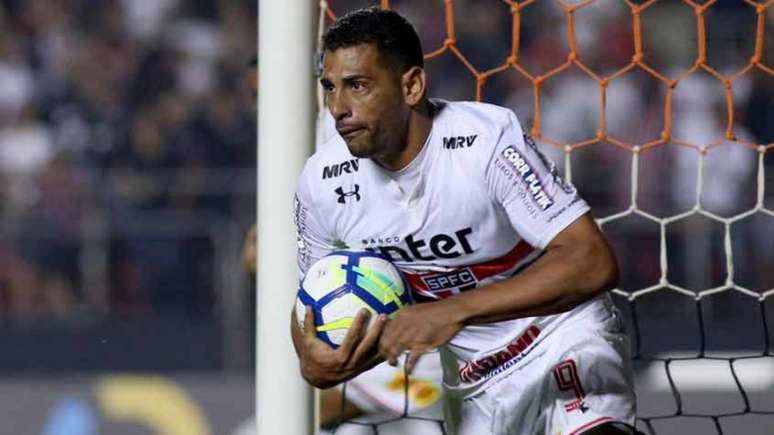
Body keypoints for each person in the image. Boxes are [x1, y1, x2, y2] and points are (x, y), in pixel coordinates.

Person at [291, 7, 638, 435]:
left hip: (560, 337)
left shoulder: (483, 140)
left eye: (357, 86)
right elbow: (309, 301)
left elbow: (593, 261)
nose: (338, 107)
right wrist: (315, 358)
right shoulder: (322, 182)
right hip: (473, 381)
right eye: (330, 88)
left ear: (412, 85)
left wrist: (454, 311)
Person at [241, 54, 445, 433]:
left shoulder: (357, 138)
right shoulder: (290, 163)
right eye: (255, 96)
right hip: (350, 340)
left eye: (268, 93)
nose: (262, 107)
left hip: (418, 350)